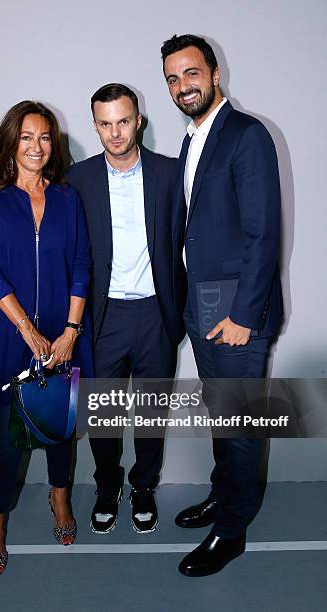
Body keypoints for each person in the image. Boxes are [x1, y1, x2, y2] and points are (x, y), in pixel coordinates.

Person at [161, 35, 284, 576]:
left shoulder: (246, 134)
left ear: (214, 73)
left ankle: (231, 531)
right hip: (203, 303)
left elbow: (263, 233)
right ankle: (222, 497)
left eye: (190, 73)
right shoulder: (193, 140)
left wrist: (244, 315)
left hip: (236, 308)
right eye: (171, 78)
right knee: (221, 415)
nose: (182, 85)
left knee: (239, 422)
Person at [0, 100, 93, 575]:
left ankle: (60, 502)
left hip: (62, 334)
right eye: (26, 137)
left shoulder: (66, 197)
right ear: (11, 141)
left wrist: (70, 332)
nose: (36, 146)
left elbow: (82, 262)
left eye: (44, 137)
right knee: (8, 438)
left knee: (60, 425)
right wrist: (27, 329)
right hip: (10, 333)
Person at [67, 84, 186, 534]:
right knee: (104, 414)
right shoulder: (78, 180)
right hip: (103, 317)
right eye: (105, 123)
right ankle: (107, 485)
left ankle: (143, 486)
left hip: (157, 312)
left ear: (139, 121)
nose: (115, 133)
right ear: (95, 125)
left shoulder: (171, 174)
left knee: (153, 410)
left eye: (123, 121)